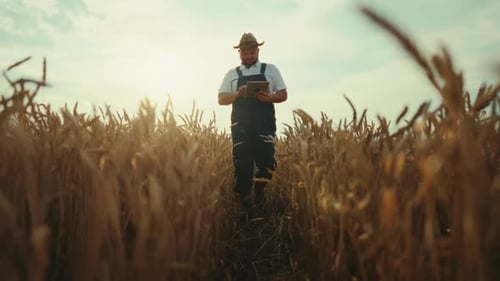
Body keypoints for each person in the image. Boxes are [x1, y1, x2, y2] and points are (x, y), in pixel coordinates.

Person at [218, 32, 288, 216]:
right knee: (242, 163)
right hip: (240, 125)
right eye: (245, 52)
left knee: (266, 162)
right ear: (239, 53)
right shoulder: (232, 74)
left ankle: (260, 195)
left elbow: (283, 94)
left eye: (252, 52)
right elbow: (221, 99)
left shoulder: (271, 70)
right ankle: (245, 204)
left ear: (258, 50)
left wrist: (268, 98)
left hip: (264, 123)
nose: (248, 56)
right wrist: (237, 95)